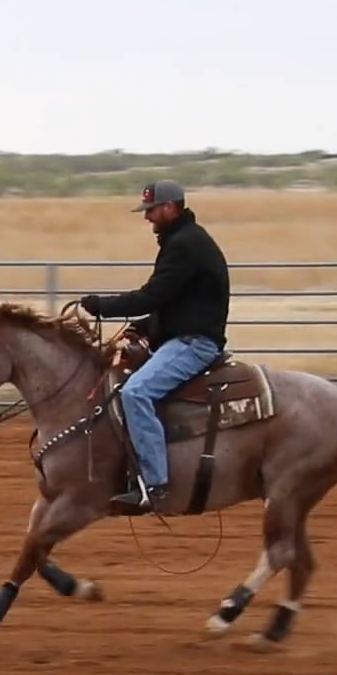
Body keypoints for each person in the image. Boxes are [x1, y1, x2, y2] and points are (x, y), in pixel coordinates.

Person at [78, 180, 232, 514]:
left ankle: (155, 484)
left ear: (170, 207)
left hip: (194, 343)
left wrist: (102, 305)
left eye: (151, 210)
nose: (147, 217)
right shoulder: (185, 240)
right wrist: (149, 325)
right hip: (187, 335)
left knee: (136, 393)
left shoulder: (184, 245)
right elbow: (178, 301)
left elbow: (153, 295)